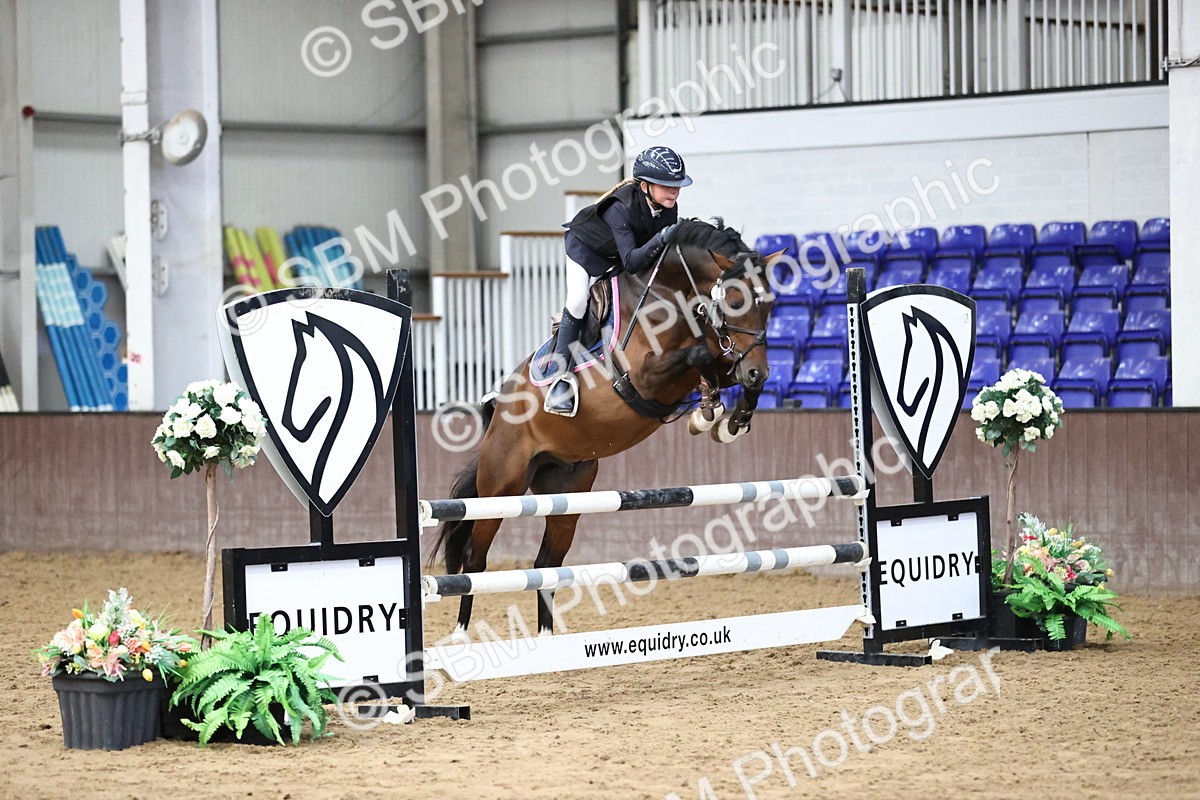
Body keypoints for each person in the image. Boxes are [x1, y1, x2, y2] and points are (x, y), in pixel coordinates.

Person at [545, 146, 693, 416]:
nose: (674, 191)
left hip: (619, 253)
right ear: (645, 185)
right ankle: (559, 379)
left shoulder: (668, 207)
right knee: (578, 301)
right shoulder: (619, 208)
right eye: (667, 185)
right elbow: (632, 263)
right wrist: (662, 239)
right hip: (585, 251)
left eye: (677, 186)